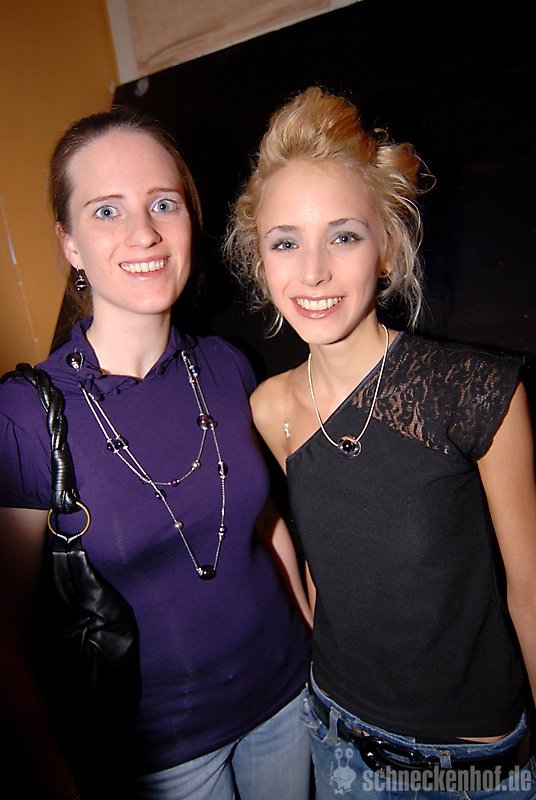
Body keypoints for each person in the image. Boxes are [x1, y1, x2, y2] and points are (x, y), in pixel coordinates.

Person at [225, 86, 536, 799]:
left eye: (343, 236)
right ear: (261, 261)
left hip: (476, 764)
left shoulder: (474, 392)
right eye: (285, 242)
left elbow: (530, 595)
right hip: (340, 743)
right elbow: (316, 554)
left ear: (388, 248)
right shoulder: (269, 409)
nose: (312, 271)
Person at [0, 108, 312, 800]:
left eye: (163, 203)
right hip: (161, 757)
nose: (144, 233)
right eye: (107, 210)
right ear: (69, 242)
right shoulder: (24, 415)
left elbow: (264, 522)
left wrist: (318, 644)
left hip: (288, 699)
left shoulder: (228, 365)